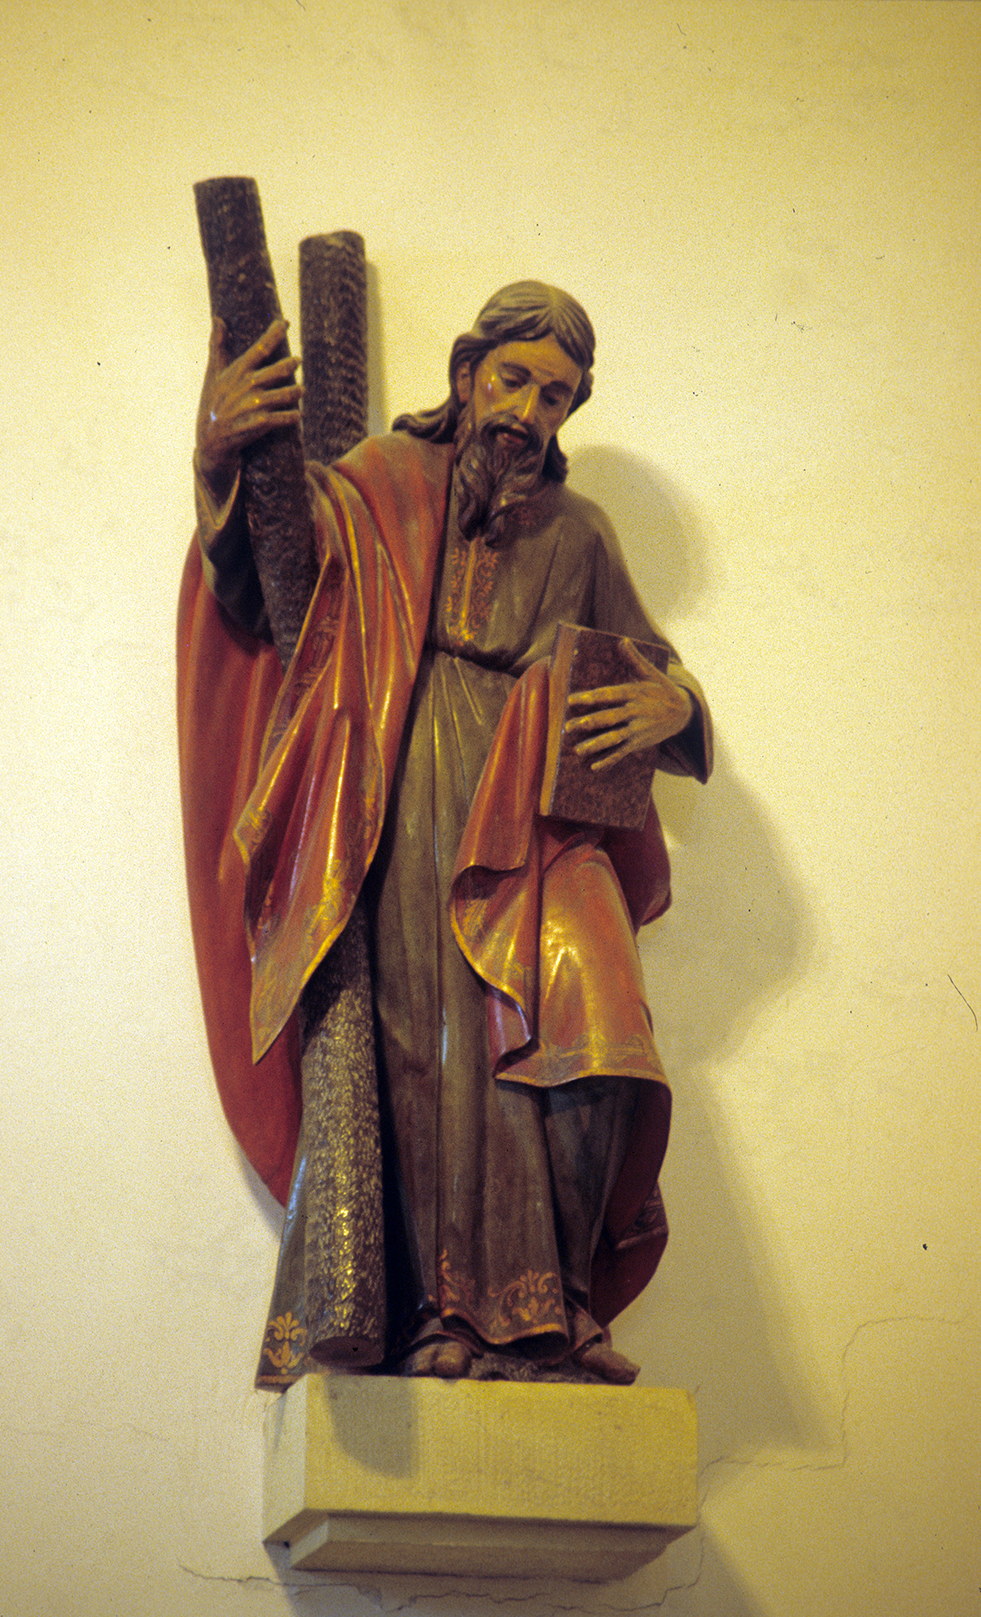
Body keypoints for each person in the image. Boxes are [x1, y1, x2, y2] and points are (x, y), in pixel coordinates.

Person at [179, 282, 712, 1386]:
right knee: (431, 1047)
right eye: (513, 380)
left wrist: (679, 706)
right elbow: (264, 586)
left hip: (540, 814)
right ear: (468, 375)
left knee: (598, 1032)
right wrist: (220, 458)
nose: (527, 412)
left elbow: (652, 666)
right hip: (408, 774)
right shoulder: (382, 478)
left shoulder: (581, 532)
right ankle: (449, 1312)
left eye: (555, 396)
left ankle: (563, 1300)